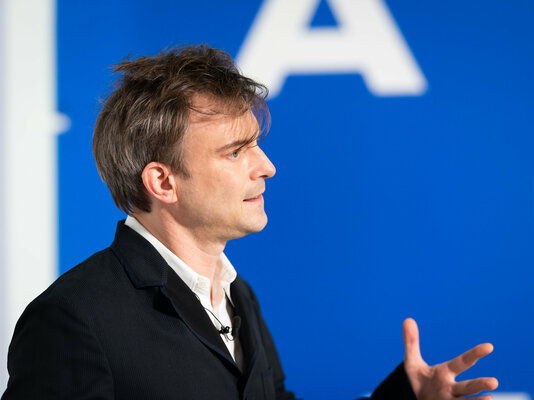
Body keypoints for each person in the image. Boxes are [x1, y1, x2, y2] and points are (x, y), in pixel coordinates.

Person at [2, 45, 498, 400]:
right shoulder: (73, 319)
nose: (267, 167)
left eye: (256, 144)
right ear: (164, 182)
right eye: (236, 151)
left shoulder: (238, 295)